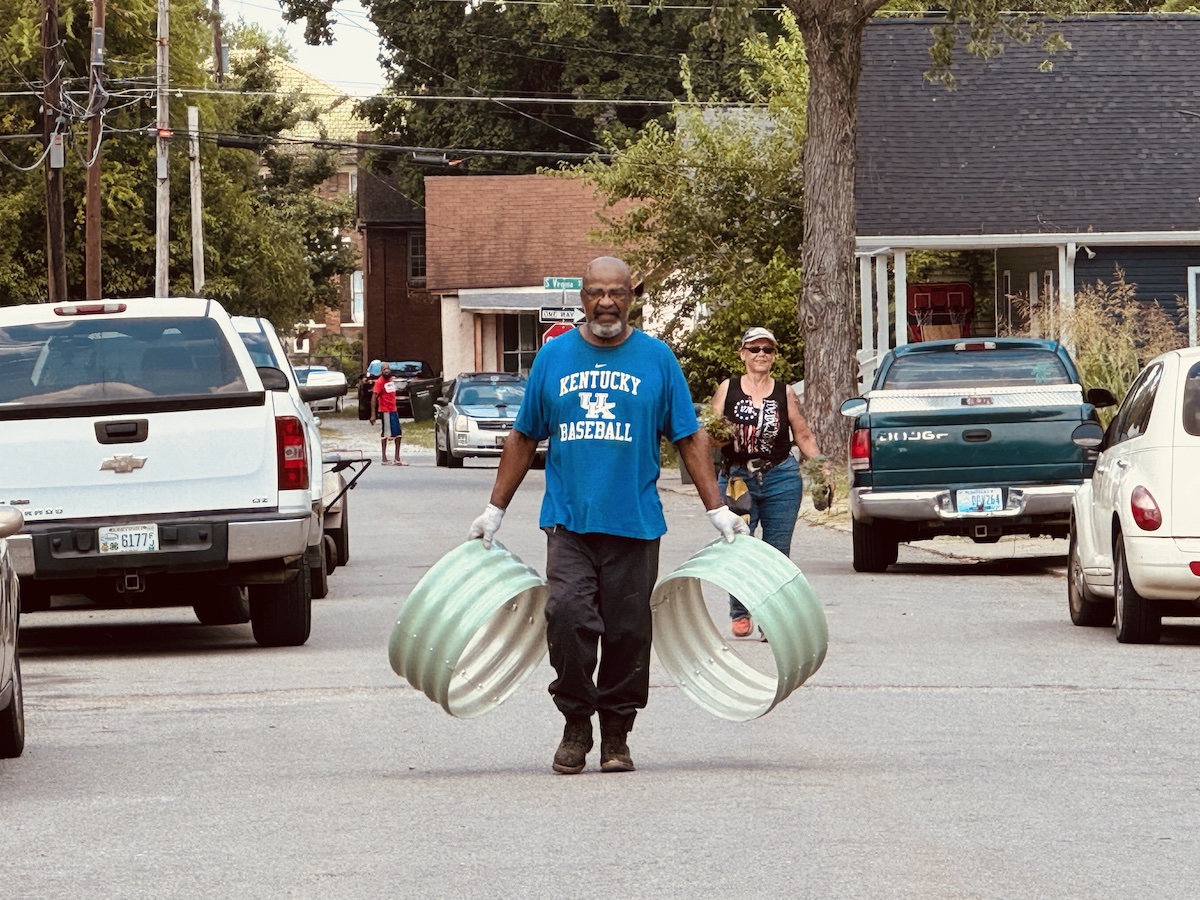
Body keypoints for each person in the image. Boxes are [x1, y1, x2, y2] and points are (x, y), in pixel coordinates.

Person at [467, 256, 749, 775]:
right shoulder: (554, 359)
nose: (606, 303)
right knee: (568, 617)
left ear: (631, 297)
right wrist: (494, 509)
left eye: (617, 293)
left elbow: (688, 435)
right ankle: (576, 723)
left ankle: (616, 733)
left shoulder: (657, 359)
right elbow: (525, 435)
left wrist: (718, 509)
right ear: (582, 298)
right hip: (569, 523)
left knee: (627, 633)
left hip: (635, 524)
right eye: (596, 292)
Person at [711, 326, 826, 639]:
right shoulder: (728, 388)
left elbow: (802, 434)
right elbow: (710, 432)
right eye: (755, 349)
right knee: (739, 547)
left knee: (777, 553)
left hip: (781, 477)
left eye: (767, 350)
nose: (761, 354)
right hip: (737, 479)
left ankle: (771, 620)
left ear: (774, 356)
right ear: (743, 354)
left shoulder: (784, 392)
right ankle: (739, 610)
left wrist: (819, 469)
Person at [369, 362, 407, 466]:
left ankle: (397, 458)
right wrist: (373, 414)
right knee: (386, 434)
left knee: (398, 433)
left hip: (393, 410)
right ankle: (384, 458)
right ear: (381, 371)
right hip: (385, 410)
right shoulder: (379, 382)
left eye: (388, 369)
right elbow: (374, 398)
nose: (386, 371)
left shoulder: (391, 380)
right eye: (384, 369)